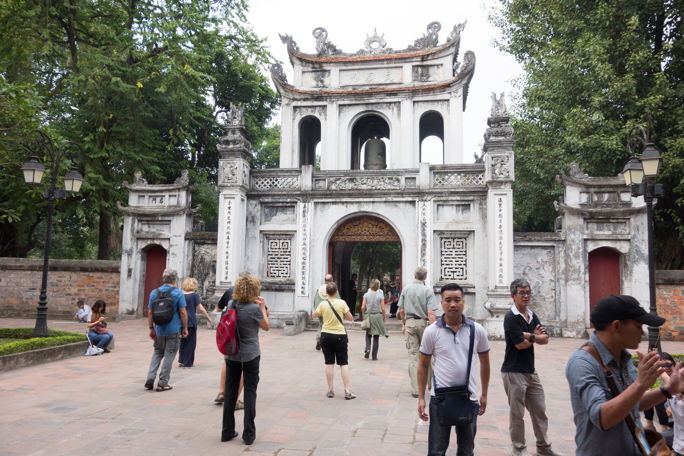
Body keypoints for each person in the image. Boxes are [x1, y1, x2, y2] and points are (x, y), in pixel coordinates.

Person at [565, 294, 684, 454]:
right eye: (638, 326)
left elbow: (633, 404)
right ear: (616, 326)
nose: (642, 333)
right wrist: (640, 384)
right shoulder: (582, 363)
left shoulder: (624, 358)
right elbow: (602, 418)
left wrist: (668, 390)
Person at [417, 282, 490, 456]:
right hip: (440, 397)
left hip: (468, 398)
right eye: (448, 300)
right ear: (441, 303)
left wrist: (484, 394)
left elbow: (485, 362)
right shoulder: (431, 331)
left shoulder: (477, 330)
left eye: (457, 300)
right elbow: (423, 365)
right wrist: (421, 397)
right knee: (436, 450)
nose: (453, 304)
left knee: (466, 450)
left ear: (464, 302)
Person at [501, 279, 561, 456]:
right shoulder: (510, 317)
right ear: (513, 296)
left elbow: (545, 338)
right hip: (513, 371)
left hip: (530, 371)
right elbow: (519, 344)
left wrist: (529, 336)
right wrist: (533, 337)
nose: (526, 296)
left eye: (528, 292)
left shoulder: (532, 315)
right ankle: (519, 450)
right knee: (517, 414)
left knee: (539, 410)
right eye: (522, 292)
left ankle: (543, 447)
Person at [221, 274, 270, 445]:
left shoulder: (230, 304)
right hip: (250, 354)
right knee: (250, 392)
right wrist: (263, 307)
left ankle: (227, 431)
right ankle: (248, 433)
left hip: (232, 352)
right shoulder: (254, 308)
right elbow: (266, 327)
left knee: (230, 391)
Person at [398, 266, 439, 397]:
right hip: (425, 324)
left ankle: (416, 389)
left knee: (413, 356)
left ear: (414, 275)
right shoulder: (428, 291)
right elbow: (431, 312)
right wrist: (435, 329)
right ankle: (431, 384)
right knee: (428, 355)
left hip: (410, 323)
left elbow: (401, 310)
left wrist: (404, 324)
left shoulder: (406, 289)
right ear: (425, 277)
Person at [144, 269, 188, 392]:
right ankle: (162, 383)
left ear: (163, 278)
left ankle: (150, 377)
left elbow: (150, 312)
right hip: (173, 329)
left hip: (159, 329)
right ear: (175, 279)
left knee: (157, 353)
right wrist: (185, 328)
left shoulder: (154, 293)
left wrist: (151, 328)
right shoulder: (178, 293)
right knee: (170, 354)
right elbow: (183, 312)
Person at [312, 281, 356, 400]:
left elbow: (314, 315)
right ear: (336, 291)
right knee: (343, 363)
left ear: (326, 293)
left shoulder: (322, 304)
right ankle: (347, 391)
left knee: (329, 363)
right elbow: (351, 318)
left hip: (325, 335)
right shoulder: (342, 303)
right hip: (340, 335)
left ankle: (330, 390)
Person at [178, 277, 212, 368]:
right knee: (191, 342)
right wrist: (208, 317)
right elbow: (201, 308)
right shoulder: (194, 295)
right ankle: (188, 362)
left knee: (183, 341)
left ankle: (181, 360)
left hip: (181, 321)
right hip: (191, 321)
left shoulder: (180, 294)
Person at [643, 352, 676, 433]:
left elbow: (672, 387)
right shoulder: (658, 376)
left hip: (675, 402)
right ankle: (649, 423)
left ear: (674, 363)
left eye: (668, 364)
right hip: (670, 402)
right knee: (649, 395)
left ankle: (664, 428)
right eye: (662, 365)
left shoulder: (678, 374)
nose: (666, 367)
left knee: (660, 398)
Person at [361, 278, 388, 360]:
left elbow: (362, 307)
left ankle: (368, 348)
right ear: (378, 286)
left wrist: (364, 315)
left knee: (368, 334)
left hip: (369, 316)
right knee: (376, 336)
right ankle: (374, 356)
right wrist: (384, 317)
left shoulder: (366, 295)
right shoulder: (380, 295)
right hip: (377, 316)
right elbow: (383, 309)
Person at [313, 274, 338, 351]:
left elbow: (315, 301)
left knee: (321, 325)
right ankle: (328, 343)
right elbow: (338, 299)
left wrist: (317, 310)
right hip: (330, 311)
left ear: (325, 280)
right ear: (332, 280)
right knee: (330, 326)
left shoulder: (319, 289)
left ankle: (319, 340)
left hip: (320, 311)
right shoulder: (333, 289)